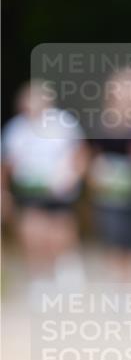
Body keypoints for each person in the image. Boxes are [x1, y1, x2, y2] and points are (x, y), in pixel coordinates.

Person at [2, 80, 87, 289]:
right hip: (30, 189)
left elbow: (80, 154)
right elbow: (7, 164)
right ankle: (39, 278)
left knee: (60, 231)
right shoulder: (16, 128)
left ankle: (65, 266)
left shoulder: (64, 123)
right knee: (32, 231)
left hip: (60, 188)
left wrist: (73, 177)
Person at [89, 68, 131, 280]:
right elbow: (94, 152)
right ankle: (115, 279)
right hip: (109, 188)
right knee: (111, 232)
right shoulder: (103, 119)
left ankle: (130, 280)